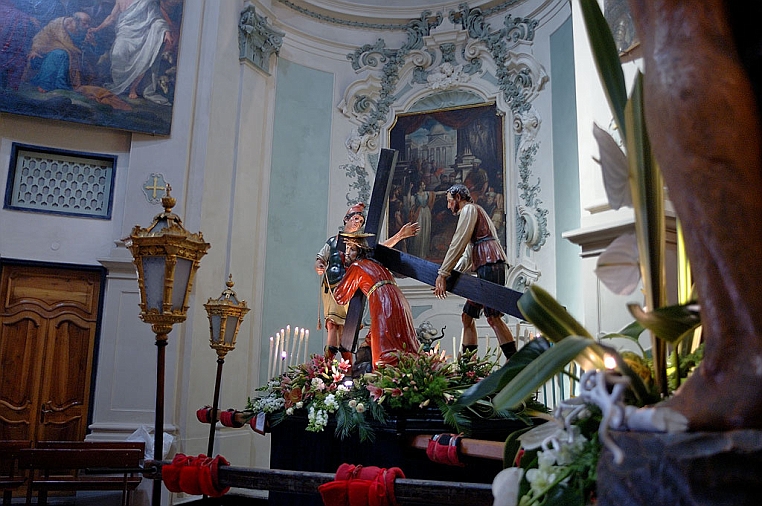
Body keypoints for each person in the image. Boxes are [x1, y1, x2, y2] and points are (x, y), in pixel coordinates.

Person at [314, 203, 419, 362]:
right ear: (346, 219)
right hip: (334, 288)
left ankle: (347, 367)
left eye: (361, 221)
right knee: (333, 326)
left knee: (348, 330)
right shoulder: (333, 242)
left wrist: (399, 236)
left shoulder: (360, 248)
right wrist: (319, 266)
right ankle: (329, 363)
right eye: (356, 218)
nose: (358, 223)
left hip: (353, 291)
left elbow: (379, 250)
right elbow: (320, 258)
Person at [433, 183, 516, 361]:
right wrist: (450, 273)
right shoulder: (474, 212)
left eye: (449, 201)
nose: (448, 206)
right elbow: (468, 254)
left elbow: (459, 242)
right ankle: (468, 366)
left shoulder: (469, 209)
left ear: (458, 198)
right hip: (486, 264)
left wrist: (443, 273)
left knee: (493, 317)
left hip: (490, 262)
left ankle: (514, 361)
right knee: (467, 316)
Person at [333, 232, 421, 369]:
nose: (347, 253)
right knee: (400, 341)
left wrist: (339, 269)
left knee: (385, 351)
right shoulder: (377, 265)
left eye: (352, 249)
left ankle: (386, 380)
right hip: (399, 300)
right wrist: (368, 341)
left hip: (383, 301)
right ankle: (409, 374)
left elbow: (339, 296)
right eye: (347, 249)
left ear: (360, 251)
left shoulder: (357, 265)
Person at [87, 0, 173, 103]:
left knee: (143, 59)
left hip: (142, 34)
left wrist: (166, 31)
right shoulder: (119, 0)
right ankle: (122, 85)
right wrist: (97, 29)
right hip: (124, 33)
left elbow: (157, 18)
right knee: (117, 55)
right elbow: (111, 17)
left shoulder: (146, 2)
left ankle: (133, 88)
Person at [23, 11, 93, 92]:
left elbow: (85, 48)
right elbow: (42, 36)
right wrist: (35, 50)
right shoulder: (57, 24)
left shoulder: (84, 31)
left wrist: (89, 42)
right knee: (59, 54)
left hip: (74, 58)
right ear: (75, 21)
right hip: (52, 54)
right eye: (84, 24)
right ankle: (45, 85)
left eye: (88, 24)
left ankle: (62, 85)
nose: (87, 26)